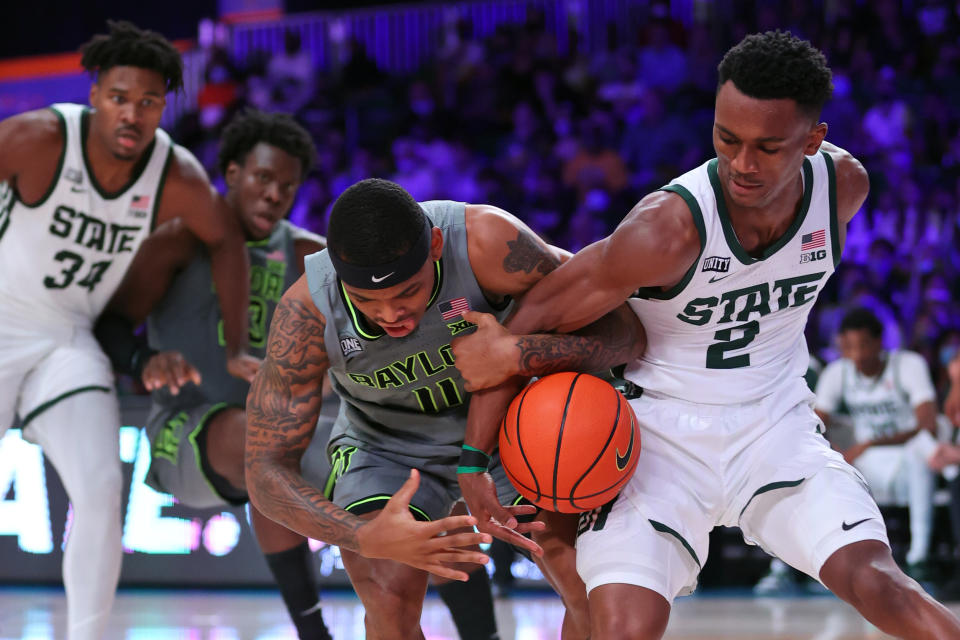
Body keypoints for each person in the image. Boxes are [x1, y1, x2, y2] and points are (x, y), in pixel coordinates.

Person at [451, 31, 960, 639]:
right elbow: (524, 324)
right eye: (727, 139)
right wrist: (473, 461)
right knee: (617, 626)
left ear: (812, 139)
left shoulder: (843, 187)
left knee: (880, 583)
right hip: (657, 439)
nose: (743, 163)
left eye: (768, 147)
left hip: (776, 424)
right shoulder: (665, 230)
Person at [244, 178, 644, 639]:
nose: (391, 314)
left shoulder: (488, 243)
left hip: (510, 431)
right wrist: (360, 536)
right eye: (367, 301)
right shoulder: (307, 314)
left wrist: (519, 352)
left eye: (406, 293)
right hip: (385, 447)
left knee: (585, 583)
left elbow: (626, 332)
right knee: (389, 596)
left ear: (434, 245)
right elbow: (263, 468)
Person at [0, 21, 251, 640]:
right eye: (119, 98)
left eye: (148, 102)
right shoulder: (39, 139)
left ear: (166, 106)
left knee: (102, 487)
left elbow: (226, 242)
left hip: (67, 339)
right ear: (94, 96)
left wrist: (240, 344)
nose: (132, 115)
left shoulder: (176, 174)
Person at [99, 109, 332, 639]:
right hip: (182, 429)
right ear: (231, 175)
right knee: (269, 441)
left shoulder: (305, 253)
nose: (274, 195)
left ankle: (318, 629)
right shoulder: (180, 241)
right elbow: (109, 326)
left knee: (296, 447)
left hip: (270, 428)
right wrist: (143, 361)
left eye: (288, 187)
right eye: (263, 179)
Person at [815, 307, 939, 577]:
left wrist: (871, 443)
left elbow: (927, 423)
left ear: (879, 342)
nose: (857, 354)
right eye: (849, 347)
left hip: (906, 457)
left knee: (921, 454)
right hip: (868, 463)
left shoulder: (908, 364)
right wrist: (832, 450)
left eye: (863, 345)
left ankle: (920, 556)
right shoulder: (838, 372)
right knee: (829, 469)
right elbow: (814, 423)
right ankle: (840, 563)